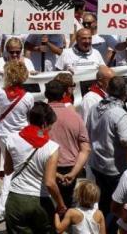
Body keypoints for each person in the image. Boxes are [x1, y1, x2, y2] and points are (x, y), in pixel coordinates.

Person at [4, 102, 67, 234]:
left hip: (16, 200)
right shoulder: (52, 148)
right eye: (50, 126)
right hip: (40, 202)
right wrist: (61, 204)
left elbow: (8, 170)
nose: (50, 129)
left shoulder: (11, 139)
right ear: (44, 124)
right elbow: (49, 183)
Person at [87, 76, 127, 230]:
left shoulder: (94, 107)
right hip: (114, 168)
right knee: (116, 206)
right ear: (125, 93)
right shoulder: (120, 114)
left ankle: (99, 228)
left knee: (104, 202)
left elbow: (88, 130)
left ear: (107, 89)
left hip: (96, 163)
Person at [0, 61, 36, 223]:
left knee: (11, 171)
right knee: (12, 173)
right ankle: (2, 208)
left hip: (3, 135)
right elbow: (28, 117)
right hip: (20, 137)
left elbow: (0, 110)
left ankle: (8, 206)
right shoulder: (28, 97)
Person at [45, 79, 90, 208]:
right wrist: (74, 173)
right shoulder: (75, 116)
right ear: (64, 95)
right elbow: (85, 149)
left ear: (46, 95)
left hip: (46, 167)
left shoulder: (40, 116)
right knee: (68, 208)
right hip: (70, 168)